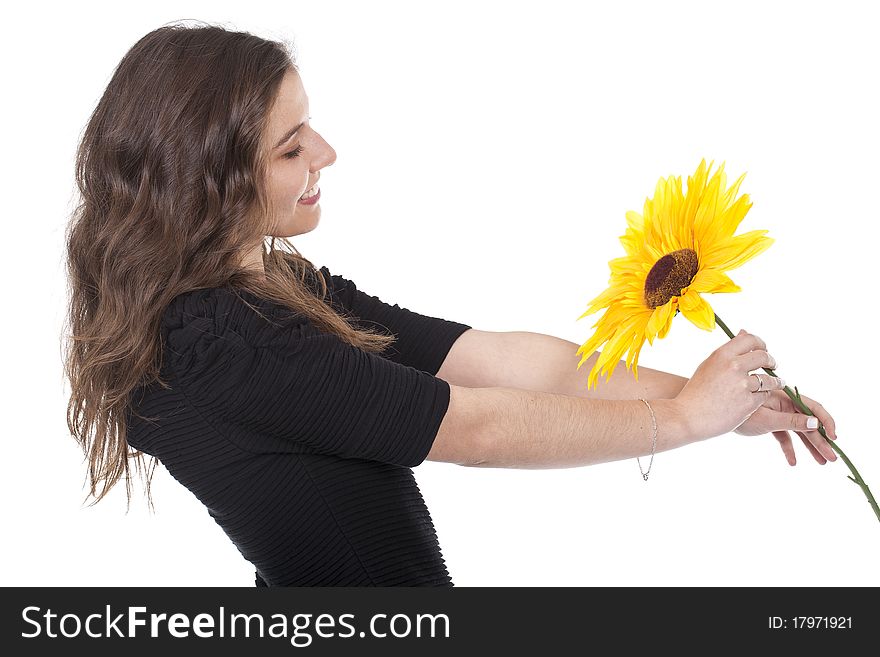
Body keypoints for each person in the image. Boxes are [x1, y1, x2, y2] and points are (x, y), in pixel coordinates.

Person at [63, 21, 838, 587]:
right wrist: (681, 420)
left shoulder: (275, 291)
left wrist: (729, 401)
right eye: (290, 147)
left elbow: (501, 360)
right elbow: (473, 425)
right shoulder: (221, 340)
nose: (326, 154)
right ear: (209, 178)